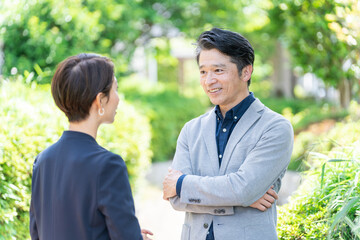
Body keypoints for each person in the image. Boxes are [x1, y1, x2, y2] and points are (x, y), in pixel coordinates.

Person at [163, 28, 294, 240]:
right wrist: (240, 198)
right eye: (203, 72)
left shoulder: (275, 127)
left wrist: (182, 184)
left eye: (218, 70)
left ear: (246, 72)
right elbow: (176, 200)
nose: (208, 81)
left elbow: (243, 189)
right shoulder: (191, 129)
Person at [30, 53, 153, 240]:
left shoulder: (43, 160)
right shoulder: (109, 165)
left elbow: (37, 233)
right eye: (115, 90)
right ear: (100, 100)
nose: (118, 98)